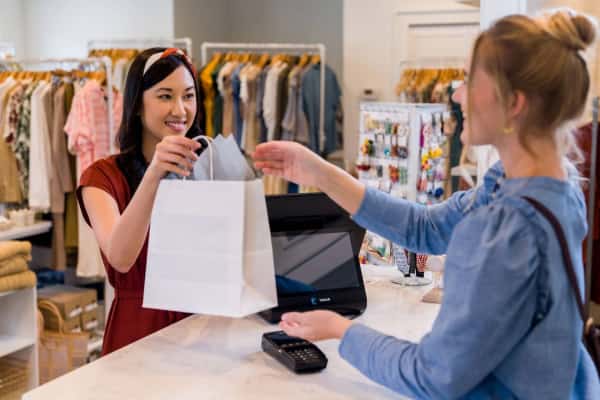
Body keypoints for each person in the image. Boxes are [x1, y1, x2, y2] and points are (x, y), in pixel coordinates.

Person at [253, 10, 600, 399]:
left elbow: (434, 375)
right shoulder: (553, 186)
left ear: (513, 103)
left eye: (468, 80)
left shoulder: (503, 228)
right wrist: (319, 173)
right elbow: (427, 229)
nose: (454, 94)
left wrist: (342, 330)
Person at [77, 48, 202, 355]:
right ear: (136, 105)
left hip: (201, 326)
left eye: (188, 95)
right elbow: (121, 258)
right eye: (164, 96)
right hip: (138, 330)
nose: (180, 109)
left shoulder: (207, 167)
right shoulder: (101, 178)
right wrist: (154, 175)